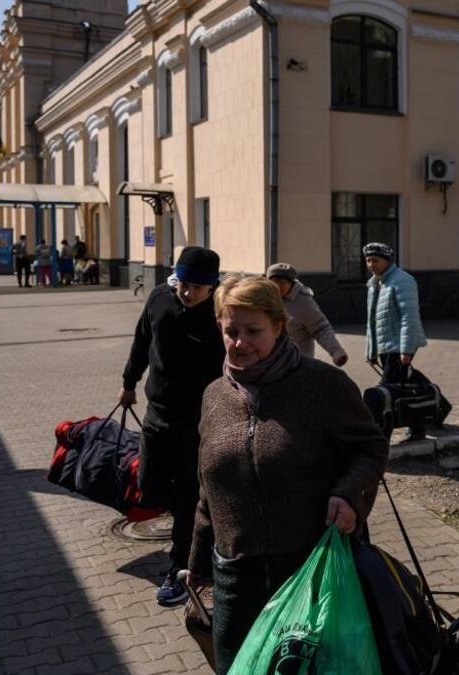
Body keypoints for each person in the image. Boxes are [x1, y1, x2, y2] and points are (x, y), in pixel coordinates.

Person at [186, 275, 389, 675]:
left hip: (309, 572)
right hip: (236, 579)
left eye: (253, 331)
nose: (240, 342)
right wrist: (197, 561)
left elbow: (370, 446)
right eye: (231, 331)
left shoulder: (323, 385)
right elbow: (207, 488)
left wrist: (350, 495)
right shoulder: (214, 396)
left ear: (280, 326)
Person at [119, 246, 225, 606]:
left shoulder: (220, 315)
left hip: (197, 422)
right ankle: (192, 532)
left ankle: (181, 566)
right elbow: (141, 341)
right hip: (156, 413)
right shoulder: (160, 298)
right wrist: (128, 383)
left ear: (212, 287)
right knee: (149, 483)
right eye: (183, 283)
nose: (187, 292)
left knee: (186, 497)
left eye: (197, 286)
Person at [362, 242, 429, 441]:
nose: (371, 265)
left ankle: (382, 435)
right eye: (368, 260)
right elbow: (372, 321)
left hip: (399, 345)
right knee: (405, 384)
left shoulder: (402, 281)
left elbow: (410, 317)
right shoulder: (375, 283)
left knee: (387, 390)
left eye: (375, 260)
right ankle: (419, 425)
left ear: (387, 261)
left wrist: (406, 349)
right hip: (386, 345)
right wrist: (371, 351)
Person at [266, 262, 348, 366]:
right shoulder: (265, 298)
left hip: (297, 363)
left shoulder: (303, 302)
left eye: (281, 283)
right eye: (274, 283)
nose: (277, 287)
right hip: (270, 363)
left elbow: (321, 329)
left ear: (291, 283)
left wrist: (336, 351)